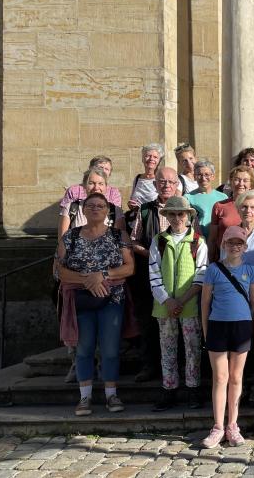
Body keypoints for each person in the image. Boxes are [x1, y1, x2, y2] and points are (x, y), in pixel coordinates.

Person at [56, 192, 135, 416]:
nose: (95, 209)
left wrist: (102, 275)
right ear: (83, 210)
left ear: (108, 211)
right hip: (81, 299)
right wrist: (89, 281)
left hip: (112, 298)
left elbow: (129, 267)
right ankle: (85, 397)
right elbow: (60, 270)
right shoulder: (70, 236)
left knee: (110, 348)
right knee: (84, 348)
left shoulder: (118, 235)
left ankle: (111, 394)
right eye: (90, 205)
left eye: (100, 206)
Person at [200, 226, 254, 448]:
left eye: (239, 243)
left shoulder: (251, 270)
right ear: (223, 244)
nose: (235, 247)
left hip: (241, 326)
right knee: (220, 377)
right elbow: (205, 303)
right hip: (217, 326)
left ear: (245, 246)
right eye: (231, 242)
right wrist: (206, 330)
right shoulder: (213, 269)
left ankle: (232, 425)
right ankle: (217, 426)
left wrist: (251, 327)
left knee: (236, 377)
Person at [148, 196, 207, 411]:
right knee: (167, 349)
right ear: (166, 216)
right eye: (172, 214)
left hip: (189, 304)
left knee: (193, 348)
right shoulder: (159, 241)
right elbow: (154, 273)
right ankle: (169, 388)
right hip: (164, 305)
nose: (177, 218)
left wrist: (181, 300)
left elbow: (201, 275)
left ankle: (193, 388)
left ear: (188, 216)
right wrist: (167, 300)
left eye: (180, 214)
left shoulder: (198, 241)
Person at [128, 167, 182, 382]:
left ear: (177, 184)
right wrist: (152, 253)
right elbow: (133, 241)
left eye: (170, 181)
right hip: (150, 275)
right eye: (162, 181)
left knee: (179, 321)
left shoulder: (187, 209)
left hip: (180, 277)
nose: (166, 185)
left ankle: (179, 368)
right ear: (155, 184)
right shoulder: (145, 210)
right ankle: (150, 366)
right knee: (149, 322)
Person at [208, 165, 254, 262]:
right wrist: (210, 261)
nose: (241, 184)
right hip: (224, 260)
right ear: (230, 182)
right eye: (237, 180)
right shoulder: (219, 206)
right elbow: (212, 239)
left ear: (251, 185)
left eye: (245, 180)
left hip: (250, 259)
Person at [59, 167, 123, 238]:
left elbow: (121, 240)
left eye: (101, 184)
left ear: (106, 187)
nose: (96, 188)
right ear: (84, 185)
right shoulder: (71, 208)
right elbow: (62, 240)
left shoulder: (115, 211)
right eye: (91, 183)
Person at [185, 159, 227, 237]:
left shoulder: (223, 197)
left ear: (213, 176)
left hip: (218, 238)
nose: (203, 178)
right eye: (199, 175)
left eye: (207, 174)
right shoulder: (188, 198)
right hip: (197, 239)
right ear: (195, 177)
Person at [129, 143, 169, 208]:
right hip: (137, 214)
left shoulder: (161, 179)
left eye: (155, 157)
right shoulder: (137, 178)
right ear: (142, 159)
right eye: (148, 156)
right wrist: (131, 205)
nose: (151, 159)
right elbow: (132, 199)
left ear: (159, 161)